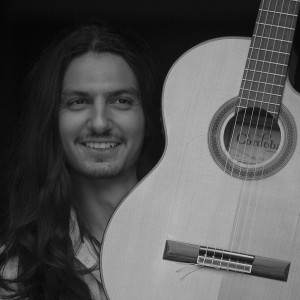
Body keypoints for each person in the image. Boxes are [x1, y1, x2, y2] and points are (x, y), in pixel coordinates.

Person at [0, 20, 164, 299]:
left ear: (149, 118)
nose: (100, 123)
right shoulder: (12, 275)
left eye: (121, 101)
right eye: (79, 102)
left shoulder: (204, 239)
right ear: (52, 121)